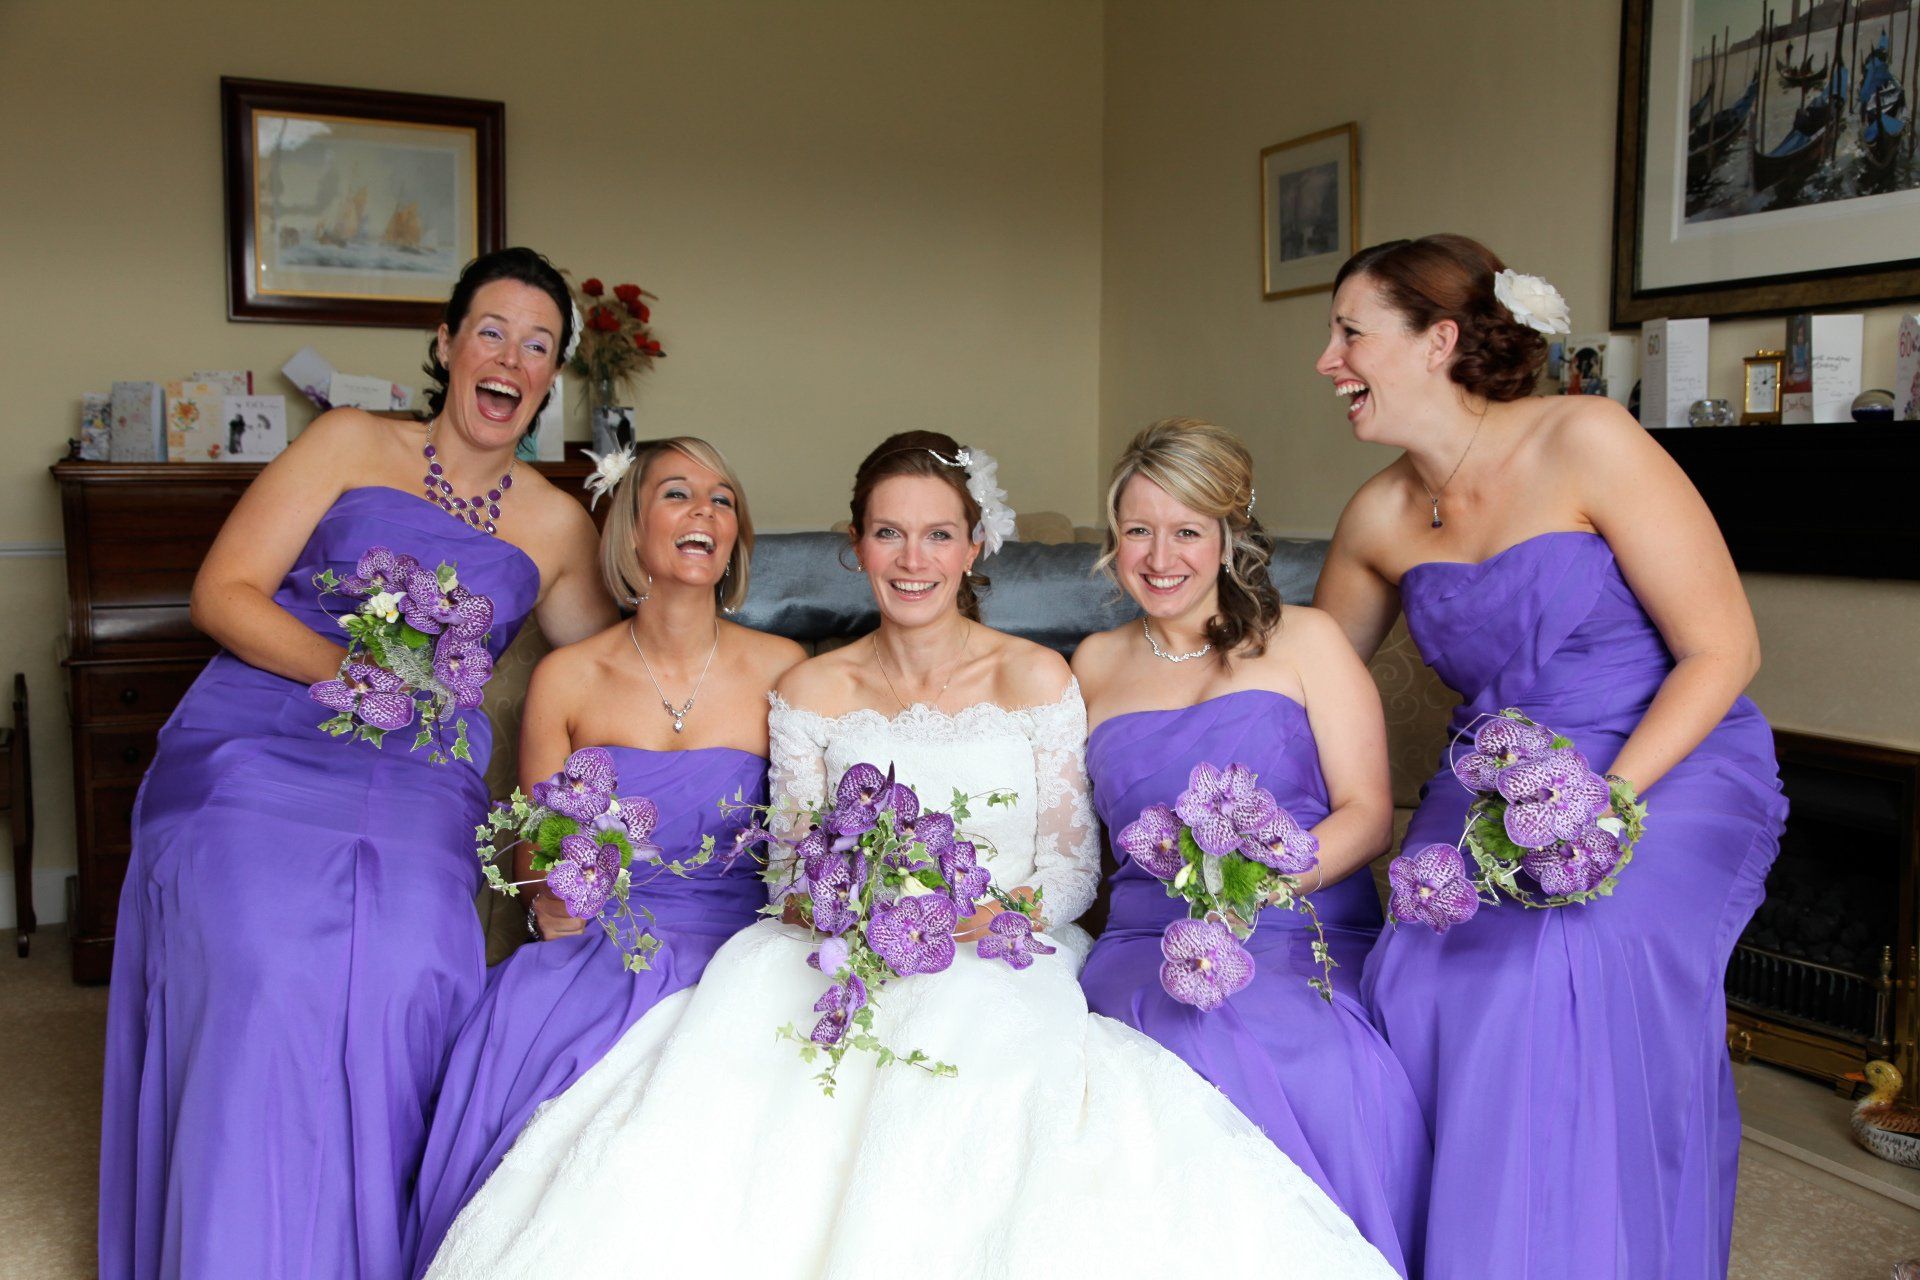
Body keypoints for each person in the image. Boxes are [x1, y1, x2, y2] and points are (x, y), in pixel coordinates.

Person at [421, 430, 1396, 1280]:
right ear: (857, 549)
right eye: (888, 531)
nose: (913, 556)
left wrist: (983, 916)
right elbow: (788, 864)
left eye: (938, 532)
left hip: (999, 947)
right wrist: (856, 903)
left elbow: (1070, 862)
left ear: (975, 544)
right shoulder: (810, 686)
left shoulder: (1044, 672)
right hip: (839, 952)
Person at [99, 247, 619, 1279]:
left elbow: (612, 672)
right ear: (444, 344)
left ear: (550, 376)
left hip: (420, 773)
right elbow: (226, 591)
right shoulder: (347, 440)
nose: (509, 356)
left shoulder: (558, 523)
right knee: (260, 952)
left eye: (537, 344)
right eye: (490, 330)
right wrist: (355, 672)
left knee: (410, 960)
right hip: (265, 734)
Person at [1311, 234, 1786, 1279]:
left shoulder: (1588, 438)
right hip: (1495, 779)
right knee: (1421, 972)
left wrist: (1604, 802)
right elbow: (1309, 685)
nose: (1326, 360)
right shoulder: (1378, 515)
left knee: (1562, 960)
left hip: (1667, 755)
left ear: (1438, 339)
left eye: (1349, 333)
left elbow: (1725, 648)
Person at [407, 437, 804, 1270]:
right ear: (630, 532)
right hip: (603, 944)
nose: (705, 511)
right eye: (678, 494)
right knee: (536, 1064)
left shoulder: (787, 673)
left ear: (734, 538)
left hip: (744, 947)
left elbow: (811, 841)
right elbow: (527, 844)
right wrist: (541, 887)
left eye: (723, 499)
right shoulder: (568, 677)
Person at [1073, 418, 1430, 1276]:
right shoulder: (1089, 664)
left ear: (1230, 537)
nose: (1161, 556)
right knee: (1168, 1038)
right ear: (1113, 541)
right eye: (1138, 530)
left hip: (1297, 928)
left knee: (1314, 1061)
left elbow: (1366, 813)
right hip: (1145, 943)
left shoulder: (1306, 642)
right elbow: (1068, 839)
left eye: (1188, 530)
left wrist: (1251, 891)